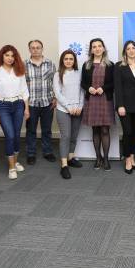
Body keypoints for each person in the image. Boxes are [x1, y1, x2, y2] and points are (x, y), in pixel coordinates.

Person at [0, 45, 30, 180]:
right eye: (7, 55)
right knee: (10, 136)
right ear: (2, 56)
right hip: (2, 106)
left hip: (18, 105)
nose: (10, 58)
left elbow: (24, 91)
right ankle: (11, 167)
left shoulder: (19, 70)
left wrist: (26, 108)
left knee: (17, 135)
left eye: (12, 56)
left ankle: (15, 162)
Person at [81, 38, 115, 170]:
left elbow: (114, 83)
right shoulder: (86, 65)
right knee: (95, 129)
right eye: (94, 47)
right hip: (92, 100)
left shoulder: (110, 65)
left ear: (104, 48)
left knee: (105, 130)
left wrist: (104, 88)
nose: (97, 48)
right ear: (91, 50)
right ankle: (98, 158)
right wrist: (88, 88)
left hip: (105, 100)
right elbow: (83, 83)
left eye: (99, 46)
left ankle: (106, 159)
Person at [114, 40, 135, 174]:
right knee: (127, 132)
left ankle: (132, 156)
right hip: (124, 106)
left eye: (133, 48)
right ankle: (127, 158)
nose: (131, 50)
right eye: (128, 49)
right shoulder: (119, 66)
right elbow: (118, 87)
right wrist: (120, 105)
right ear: (125, 52)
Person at [53, 49, 84, 179]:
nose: (68, 61)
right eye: (66, 59)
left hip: (77, 110)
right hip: (63, 110)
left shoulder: (79, 73)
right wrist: (69, 106)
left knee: (73, 136)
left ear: (74, 61)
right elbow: (57, 93)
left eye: (71, 59)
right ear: (62, 61)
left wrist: (80, 106)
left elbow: (82, 91)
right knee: (65, 136)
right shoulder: (57, 74)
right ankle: (64, 165)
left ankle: (71, 158)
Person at [25, 40, 57, 165]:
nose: (35, 50)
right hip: (31, 103)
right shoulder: (23, 65)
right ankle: (31, 153)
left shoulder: (50, 64)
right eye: (32, 48)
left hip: (47, 102)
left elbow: (55, 82)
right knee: (31, 130)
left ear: (42, 49)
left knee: (47, 129)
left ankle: (47, 152)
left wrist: (55, 98)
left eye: (38, 47)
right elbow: (22, 85)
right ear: (29, 49)